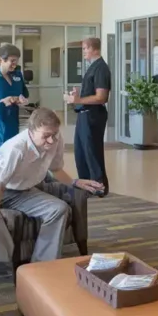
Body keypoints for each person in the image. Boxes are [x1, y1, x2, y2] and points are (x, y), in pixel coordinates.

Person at [0, 108, 103, 263]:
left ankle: (42, 262)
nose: (51, 140)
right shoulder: (16, 148)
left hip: (24, 191)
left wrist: (75, 182)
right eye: (46, 136)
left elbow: (55, 169)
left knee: (59, 209)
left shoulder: (55, 139)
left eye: (54, 134)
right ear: (31, 131)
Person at [66, 37, 111, 196]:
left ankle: (99, 187)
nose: (83, 52)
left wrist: (79, 100)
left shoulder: (101, 68)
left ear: (94, 49)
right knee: (81, 152)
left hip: (93, 116)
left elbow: (101, 97)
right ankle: (86, 185)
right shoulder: (92, 68)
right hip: (84, 114)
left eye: (85, 48)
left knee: (92, 152)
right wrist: (77, 98)